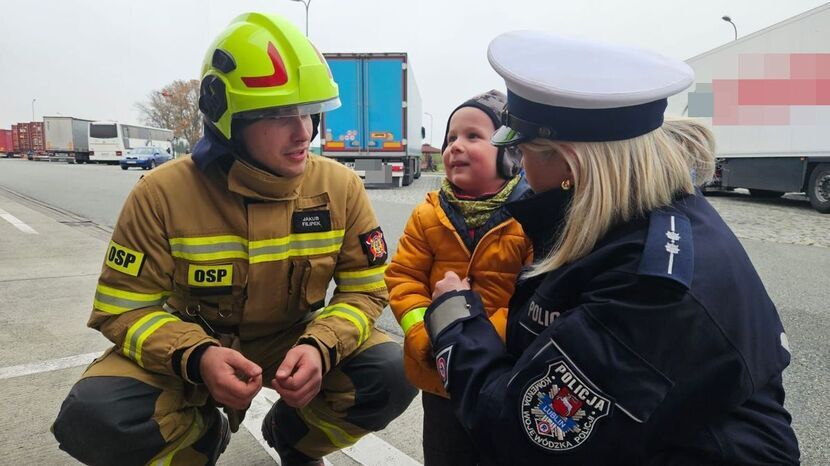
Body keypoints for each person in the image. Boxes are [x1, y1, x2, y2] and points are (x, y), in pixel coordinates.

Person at [52, 12, 416, 466]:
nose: (303, 131)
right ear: (228, 121)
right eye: (278, 115)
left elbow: (365, 288)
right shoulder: (161, 193)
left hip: (296, 341)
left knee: (392, 370)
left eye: (309, 111)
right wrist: (196, 357)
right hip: (194, 350)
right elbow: (122, 308)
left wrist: (320, 345)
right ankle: (202, 440)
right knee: (95, 417)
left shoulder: (341, 187)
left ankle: (293, 438)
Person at [424, 31, 800, 465]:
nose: (521, 167)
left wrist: (454, 318)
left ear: (568, 163)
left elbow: (521, 432)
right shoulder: (645, 214)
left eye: (524, 150)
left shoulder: (652, 289)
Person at [385, 90, 532, 465]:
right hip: (441, 380)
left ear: (509, 152)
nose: (455, 147)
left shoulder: (532, 218)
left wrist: (470, 342)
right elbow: (403, 279)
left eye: (473, 136)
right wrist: (424, 336)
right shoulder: (428, 215)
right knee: (444, 453)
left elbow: (531, 302)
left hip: (502, 375)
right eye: (451, 137)